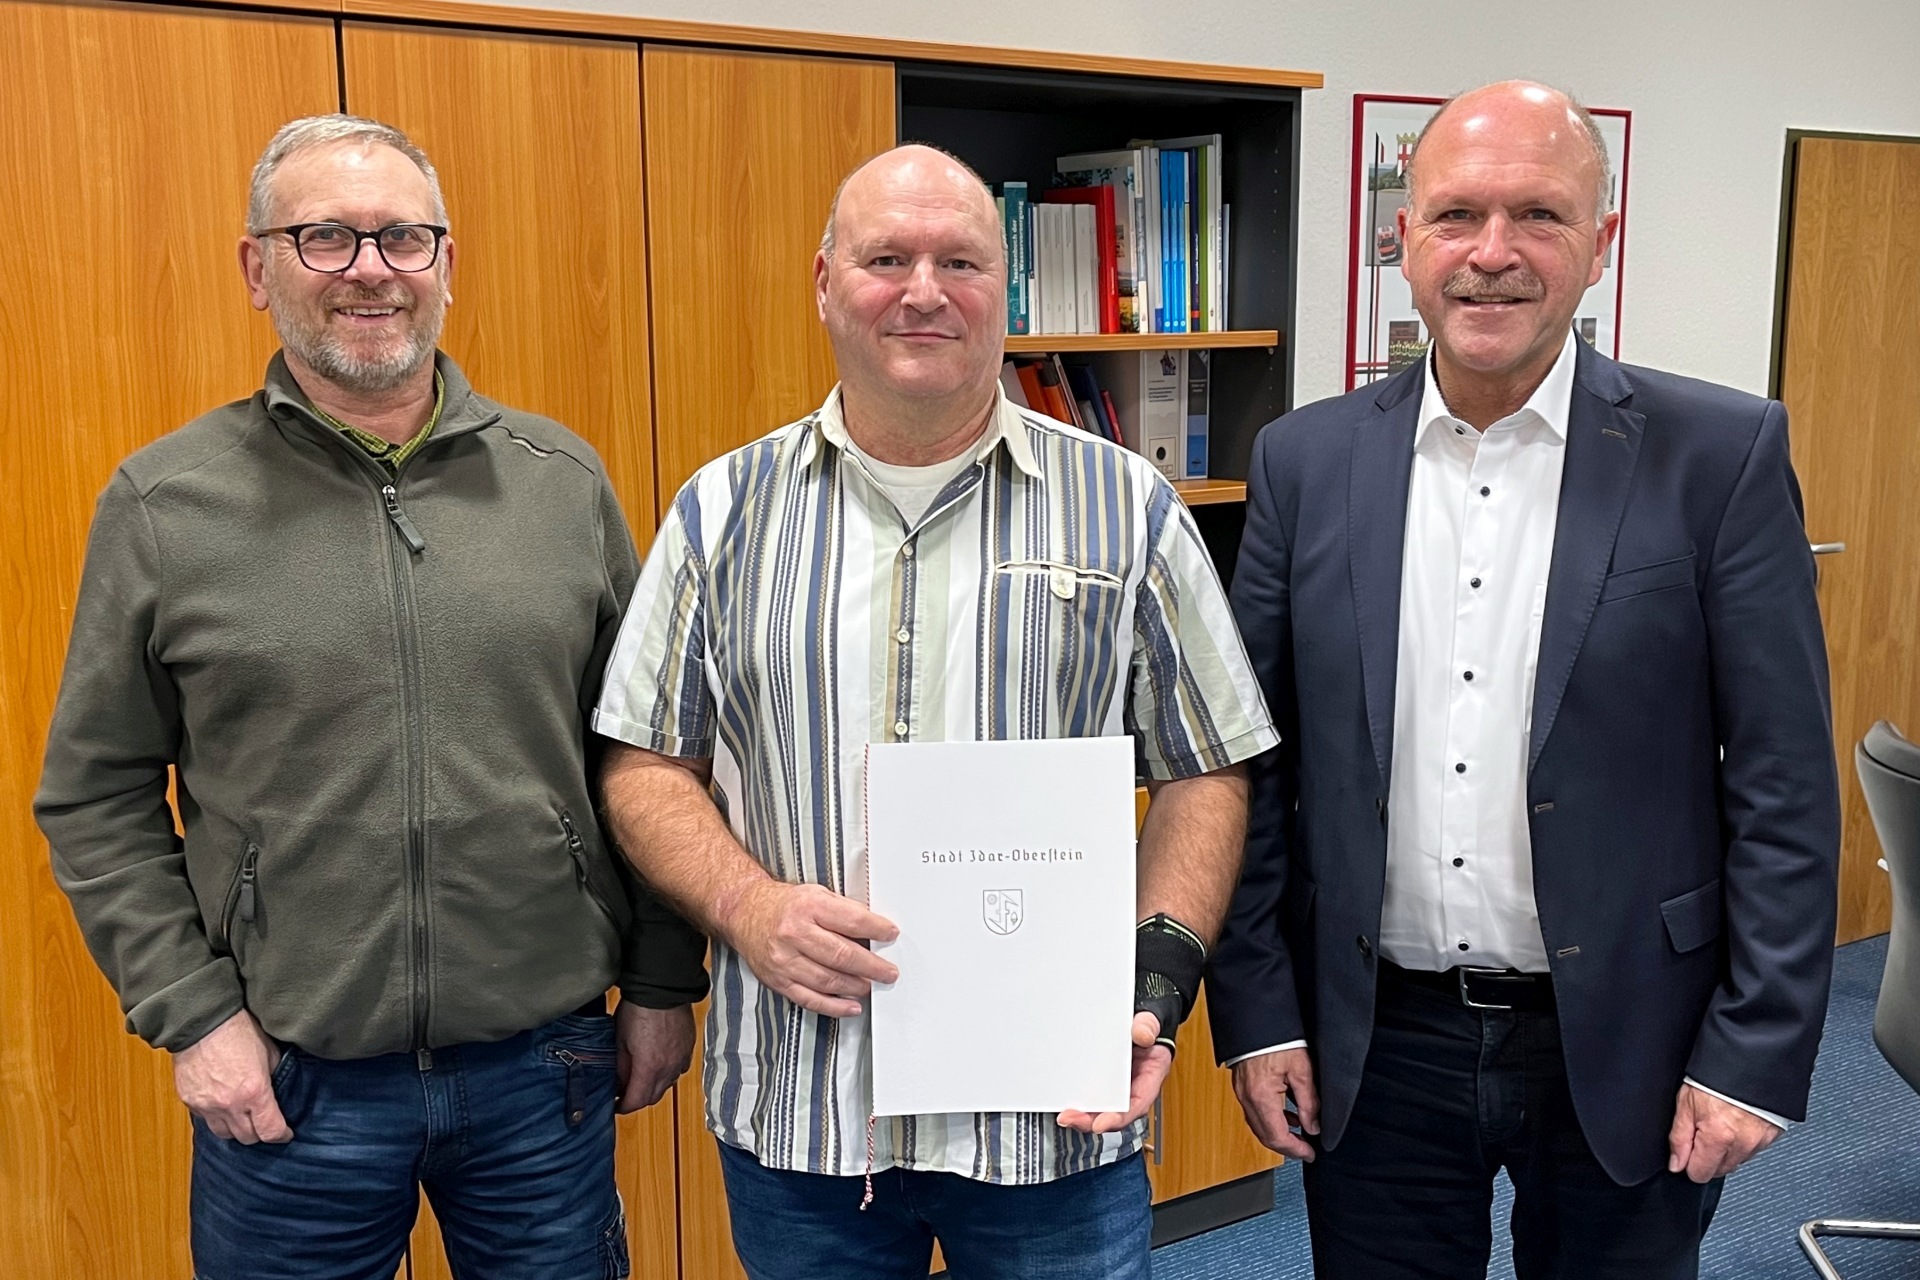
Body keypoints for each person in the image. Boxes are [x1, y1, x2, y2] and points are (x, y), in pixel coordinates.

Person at [34, 114, 706, 1280]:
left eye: (402, 237)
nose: (370, 272)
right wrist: (191, 1013)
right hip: (292, 1085)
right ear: (259, 267)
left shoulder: (561, 482)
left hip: (543, 1067)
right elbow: (95, 794)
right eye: (326, 238)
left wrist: (659, 980)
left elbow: (645, 754)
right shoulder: (165, 504)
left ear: (445, 262)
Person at [592, 144, 1276, 1280]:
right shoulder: (722, 510)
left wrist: (1157, 978)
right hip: (807, 1114)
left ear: (1001, 290)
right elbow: (644, 760)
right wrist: (745, 905)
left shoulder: (1129, 507)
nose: (922, 289)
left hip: (1055, 1120)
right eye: (886, 257)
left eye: (959, 259)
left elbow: (1208, 764)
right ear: (824, 282)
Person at [1208, 81, 1841, 1278]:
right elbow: (1260, 762)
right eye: (1456, 215)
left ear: (1599, 245)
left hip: (1633, 1038)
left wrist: (1754, 1046)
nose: (1492, 254)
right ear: (1404, 241)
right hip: (1376, 1039)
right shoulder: (1305, 458)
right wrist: (1262, 1009)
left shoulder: (1720, 454)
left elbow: (1784, 782)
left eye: (1539, 217)